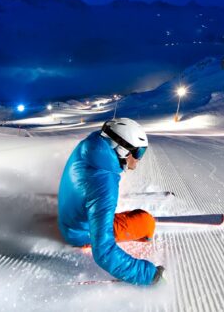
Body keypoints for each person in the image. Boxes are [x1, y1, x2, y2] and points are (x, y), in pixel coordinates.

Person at [57, 118, 165, 285]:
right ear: (122, 150)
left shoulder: (90, 145)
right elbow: (104, 252)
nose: (138, 160)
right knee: (146, 223)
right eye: (138, 152)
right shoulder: (104, 186)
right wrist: (148, 275)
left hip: (69, 219)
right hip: (79, 233)